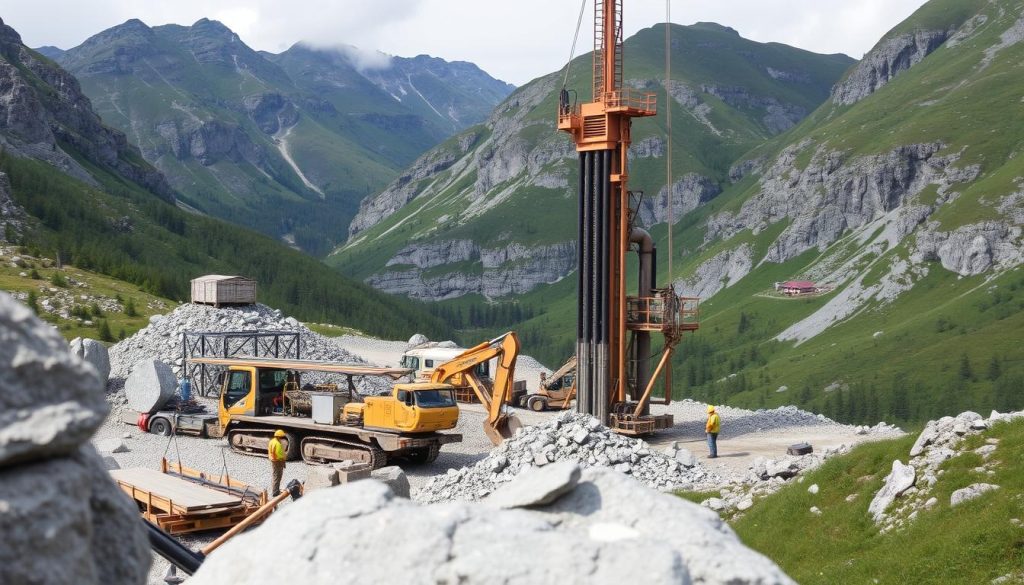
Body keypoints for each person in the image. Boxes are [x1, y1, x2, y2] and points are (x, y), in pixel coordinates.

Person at [268, 429, 287, 496]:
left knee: (275, 475)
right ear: (279, 436)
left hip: (273, 460)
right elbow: (280, 455)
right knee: (277, 476)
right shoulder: (278, 444)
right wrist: (283, 459)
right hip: (278, 461)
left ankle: (275, 490)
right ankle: (275, 492)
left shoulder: (272, 441)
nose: (282, 438)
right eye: (281, 437)